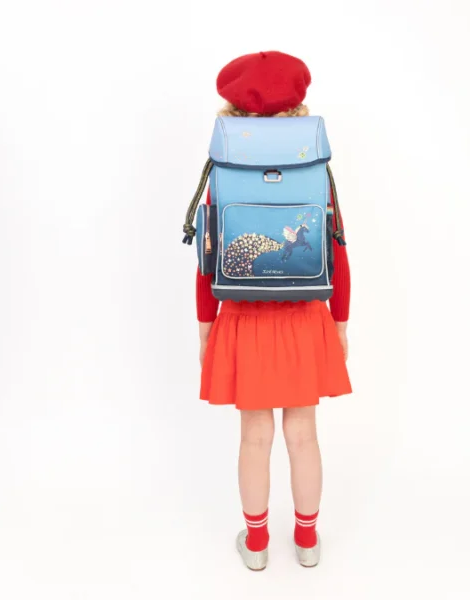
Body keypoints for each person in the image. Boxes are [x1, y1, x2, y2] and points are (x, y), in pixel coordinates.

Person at [195, 51, 352, 570]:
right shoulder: (315, 167)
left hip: (244, 319)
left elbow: (207, 255)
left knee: (254, 437)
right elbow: (337, 247)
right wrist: (340, 321)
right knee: (303, 436)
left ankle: (258, 544)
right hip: (305, 315)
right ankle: (306, 541)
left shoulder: (223, 168)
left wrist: (205, 327)